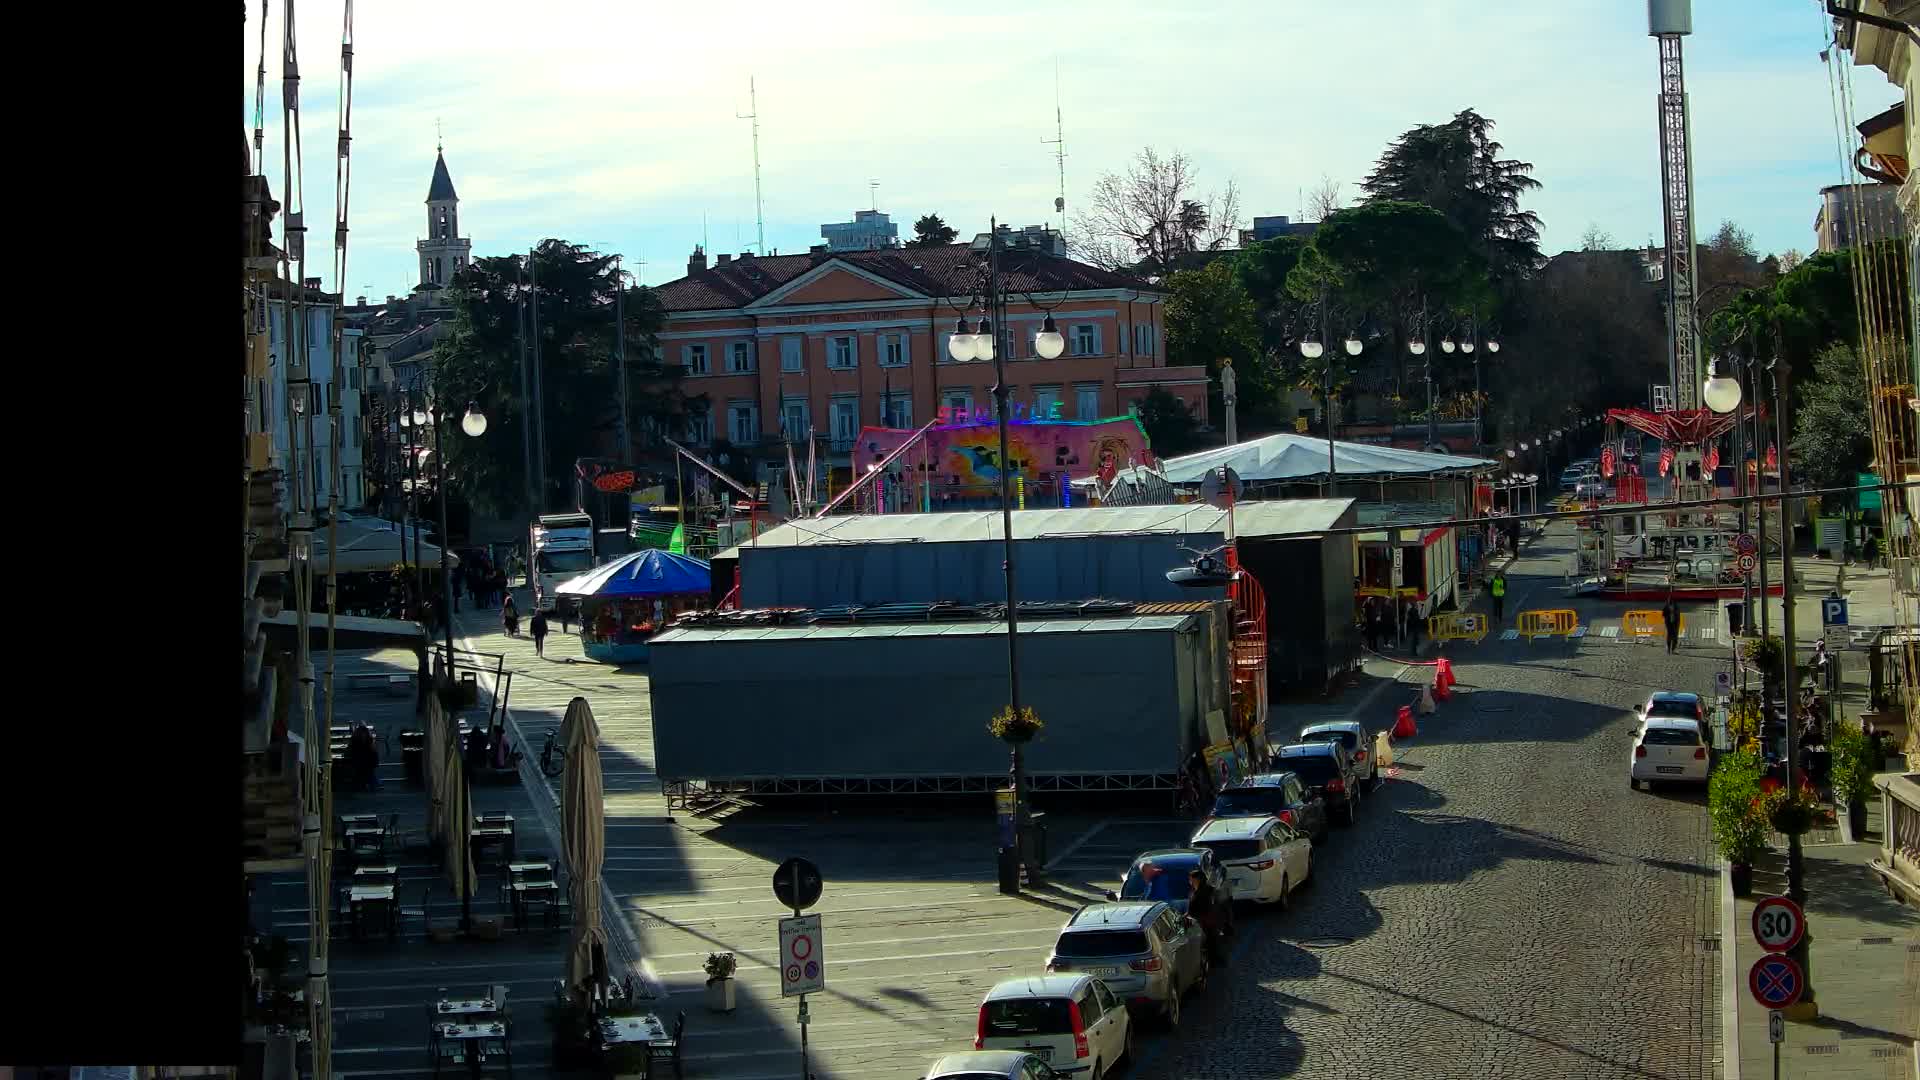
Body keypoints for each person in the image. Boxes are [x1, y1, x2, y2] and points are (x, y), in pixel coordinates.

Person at [1187, 869, 1224, 960]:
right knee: (1211, 941)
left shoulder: (1202, 892)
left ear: (1196, 880)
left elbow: (1200, 907)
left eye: (1191, 879)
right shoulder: (1203, 890)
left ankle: (1213, 960)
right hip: (1207, 921)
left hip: (1205, 921)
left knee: (1209, 941)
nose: (1189, 881)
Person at [348, 724, 379, 790]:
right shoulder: (369, 741)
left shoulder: (355, 740)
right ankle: (371, 784)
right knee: (370, 774)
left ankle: (364, 783)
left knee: (361, 773)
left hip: (360, 763)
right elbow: (374, 753)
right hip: (368, 763)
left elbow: (351, 750)